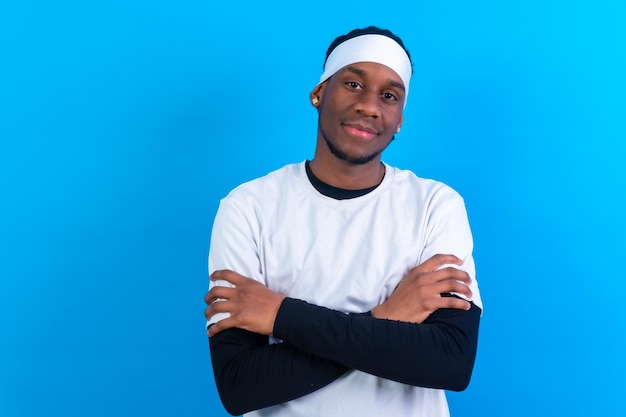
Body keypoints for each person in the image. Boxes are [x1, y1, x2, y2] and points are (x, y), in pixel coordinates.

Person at [204, 26, 482, 417]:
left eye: (389, 96)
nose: (370, 106)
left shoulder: (435, 205)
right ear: (319, 93)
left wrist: (282, 316)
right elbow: (240, 384)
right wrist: (387, 318)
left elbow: (450, 362)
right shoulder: (247, 208)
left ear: (400, 117)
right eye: (353, 83)